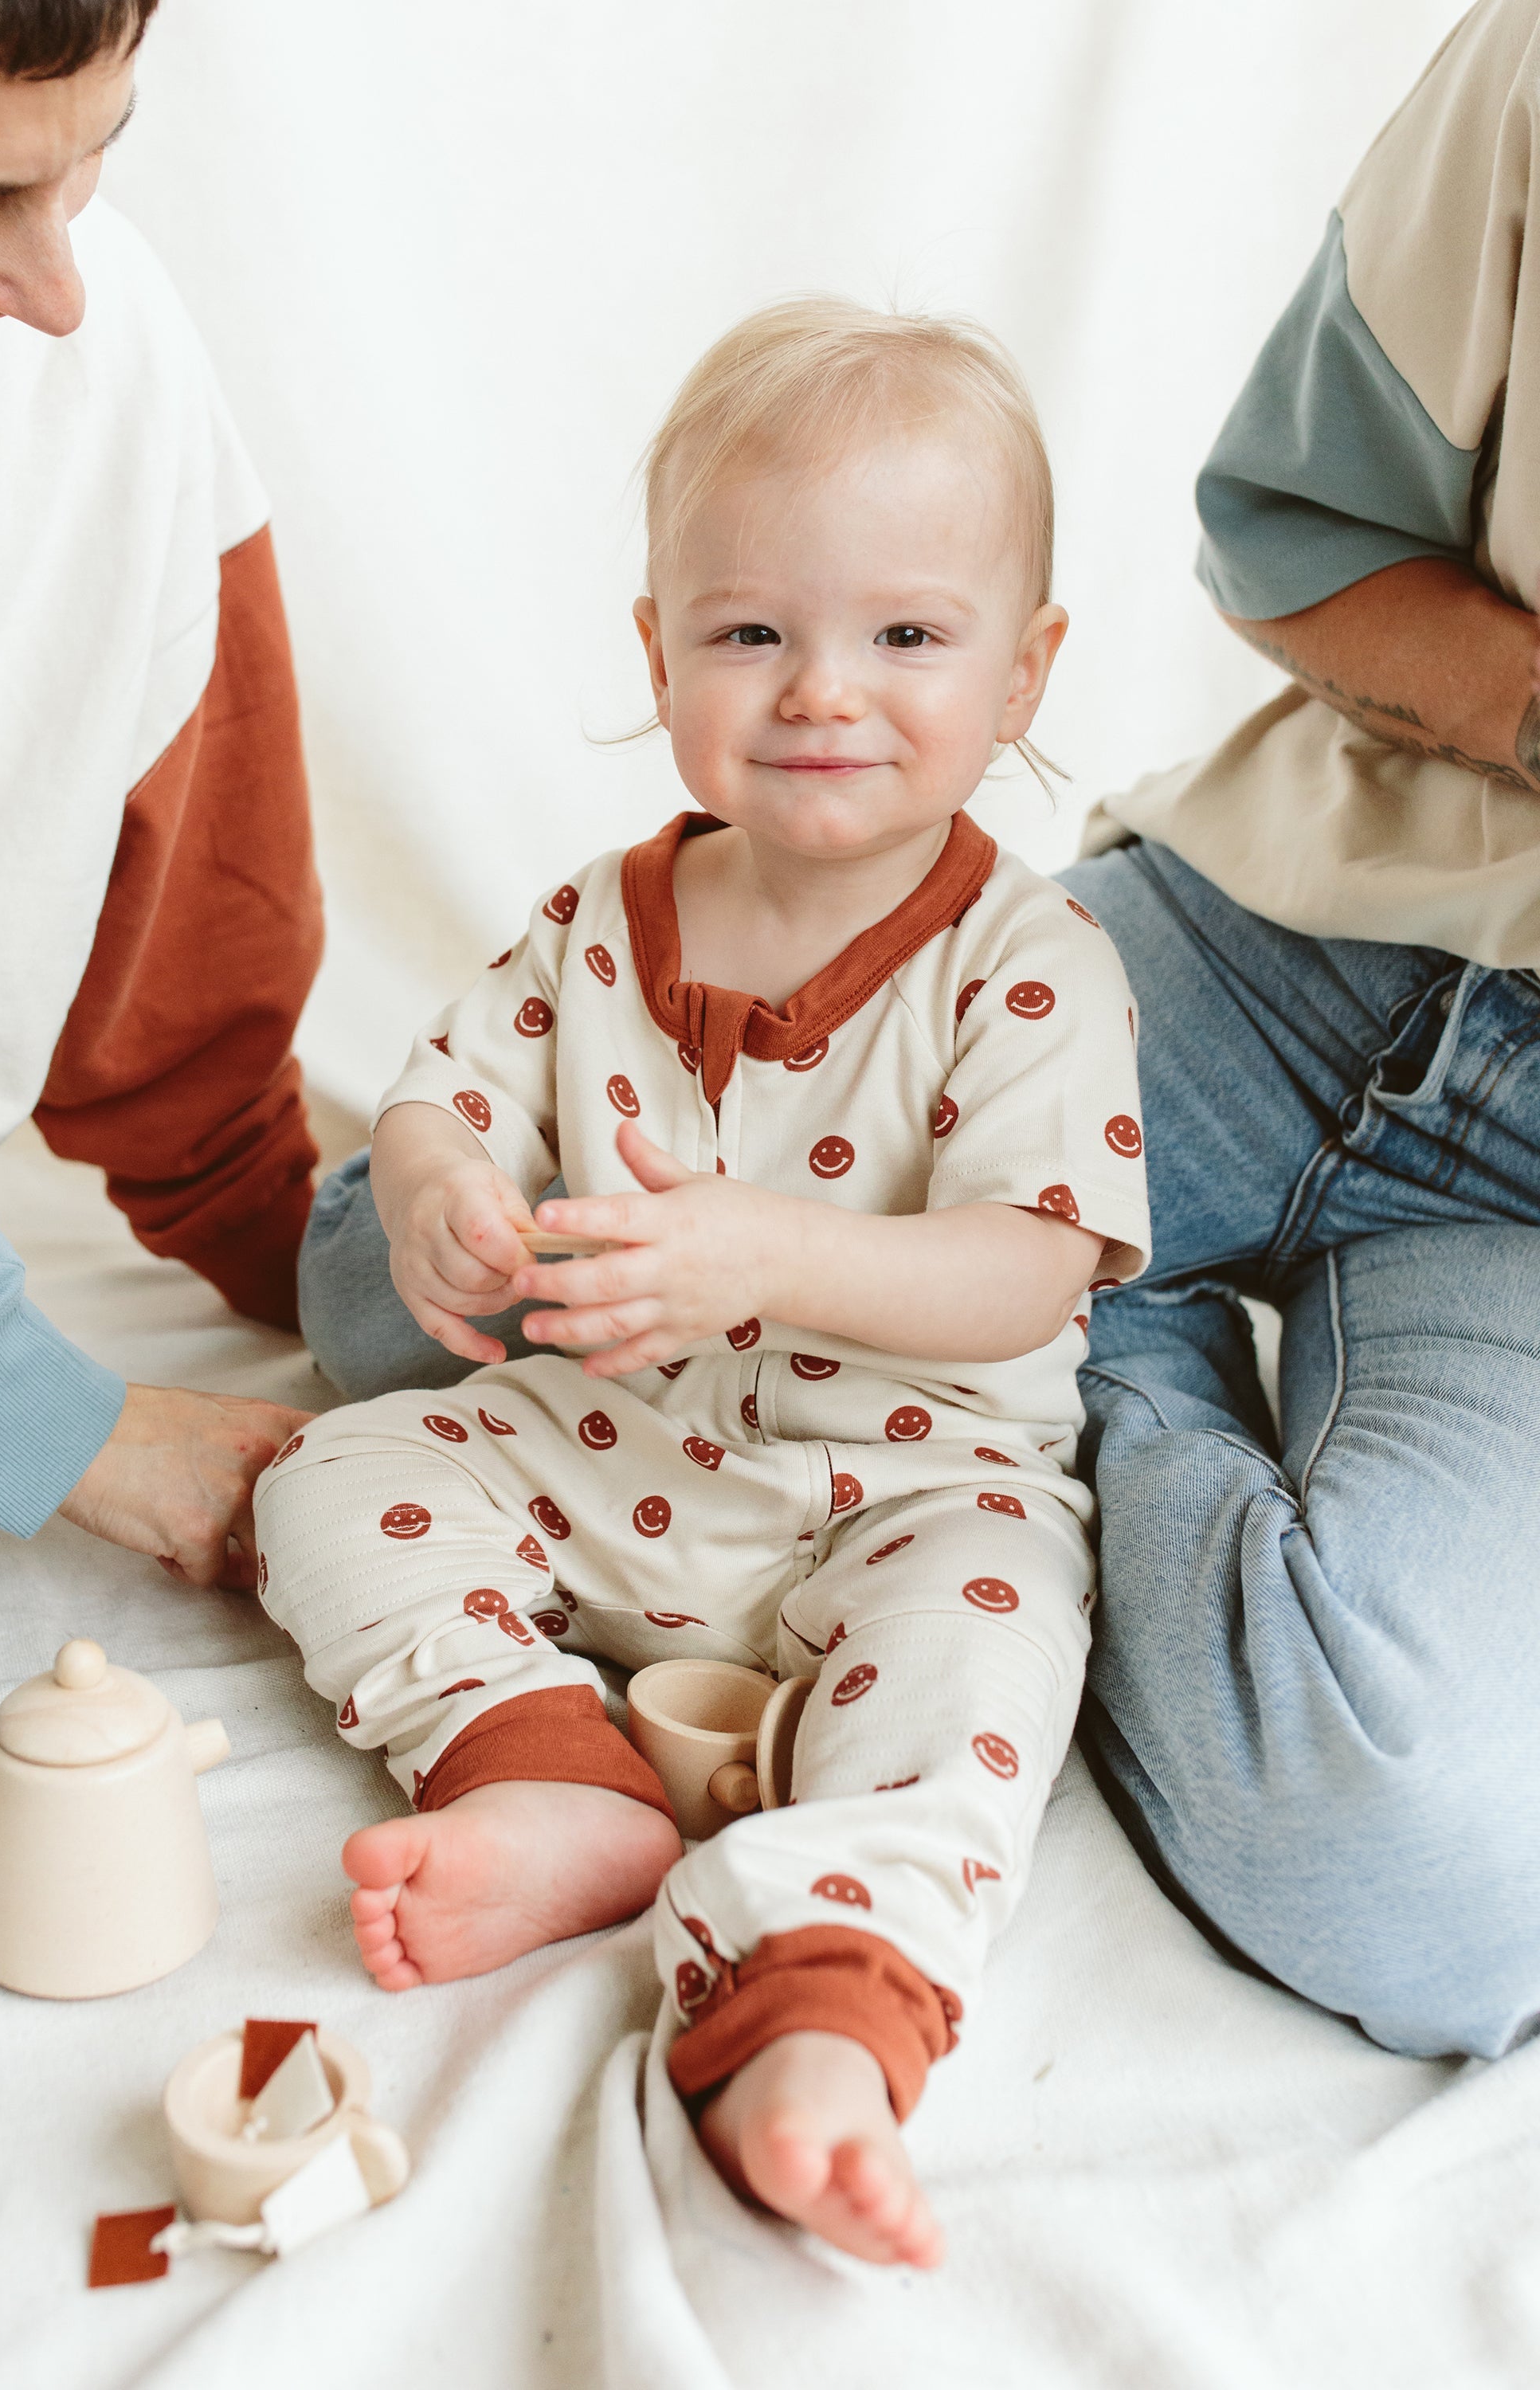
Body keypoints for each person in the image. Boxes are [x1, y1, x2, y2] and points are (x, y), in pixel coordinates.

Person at [253, 300, 1150, 2268]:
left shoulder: (1030, 963)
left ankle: (817, 2003)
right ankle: (541, 1770)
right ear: (656, 654)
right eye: (750, 633)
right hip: (611, 1442)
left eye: (908, 635)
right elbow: (442, 1093)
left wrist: (774, 1254)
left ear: (1025, 672)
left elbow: (1024, 1271)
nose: (823, 690)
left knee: (987, 1658)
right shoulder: (598, 916)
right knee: (328, 1479)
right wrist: (435, 1192)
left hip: (912, 1487)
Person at [1060, 0, 1540, 2063]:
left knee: (1422, 1887)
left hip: (1513, 1232)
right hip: (1285, 936)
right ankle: (1044, 1264)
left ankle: (1083, 1331)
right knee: (407, 1284)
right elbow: (1297, 530)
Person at [0, 0, 321, 1587]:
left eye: (94, 158)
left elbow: (178, 928)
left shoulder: (106, 350)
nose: (54, 287)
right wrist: (33, 1410)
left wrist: (342, 1270)